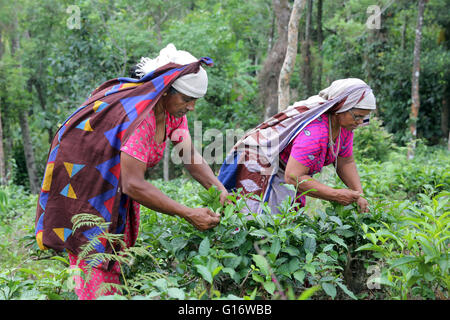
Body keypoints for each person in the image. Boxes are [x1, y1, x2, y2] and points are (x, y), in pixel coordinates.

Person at [34, 44, 228, 299]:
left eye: (194, 101)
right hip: (92, 193)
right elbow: (133, 185)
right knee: (96, 265)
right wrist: (188, 213)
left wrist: (220, 189)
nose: (191, 107)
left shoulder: (173, 114)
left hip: (117, 195)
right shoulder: (142, 119)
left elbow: (188, 154)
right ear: (165, 90)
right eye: (187, 99)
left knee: (116, 267)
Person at [218, 78, 376, 215]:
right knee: (254, 220)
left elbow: (345, 160)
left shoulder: (345, 127)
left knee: (286, 220)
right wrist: (335, 195)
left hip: (287, 168)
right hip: (260, 164)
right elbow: (294, 177)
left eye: (365, 117)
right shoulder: (316, 132)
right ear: (340, 108)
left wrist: (359, 194)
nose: (360, 122)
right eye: (358, 116)